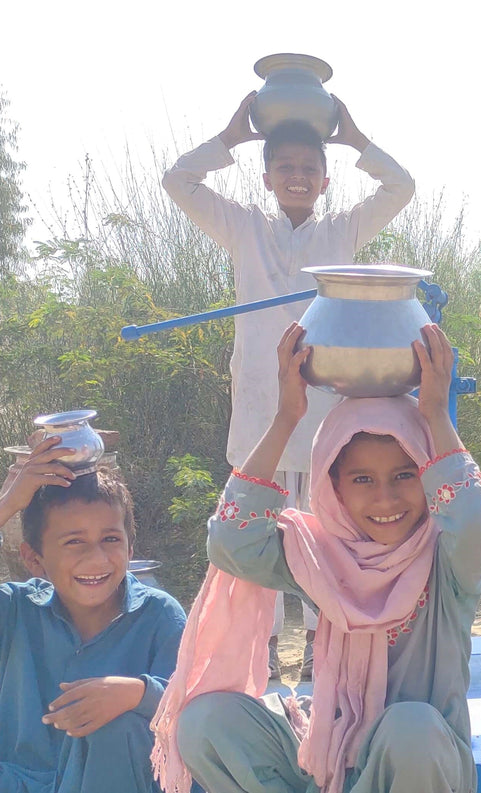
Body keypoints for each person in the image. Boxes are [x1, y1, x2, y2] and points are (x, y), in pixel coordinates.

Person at [151, 322, 481, 793]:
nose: (385, 498)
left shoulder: (445, 559)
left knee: (411, 728)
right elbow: (231, 544)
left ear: (427, 475)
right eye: (361, 480)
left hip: (417, 767)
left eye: (404, 474)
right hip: (329, 760)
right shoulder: (319, 557)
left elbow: (477, 526)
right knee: (205, 721)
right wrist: (286, 418)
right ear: (331, 488)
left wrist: (436, 414)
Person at [163, 92, 415, 669]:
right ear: (268, 177)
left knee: (327, 529)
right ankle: (265, 651)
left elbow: (400, 188)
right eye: (286, 168)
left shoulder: (344, 230)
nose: (298, 177)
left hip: (328, 407)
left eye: (309, 168)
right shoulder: (244, 226)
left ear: (326, 180)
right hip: (261, 404)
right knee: (261, 526)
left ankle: (326, 647)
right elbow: (178, 181)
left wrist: (356, 140)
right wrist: (228, 139)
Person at [0, 437, 188, 793]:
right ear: (33, 559)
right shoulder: (14, 611)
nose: (98, 559)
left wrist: (138, 694)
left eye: (111, 540)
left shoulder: (158, 615)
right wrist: (8, 503)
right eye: (74, 542)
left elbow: (198, 712)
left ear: (131, 548)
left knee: (118, 728)